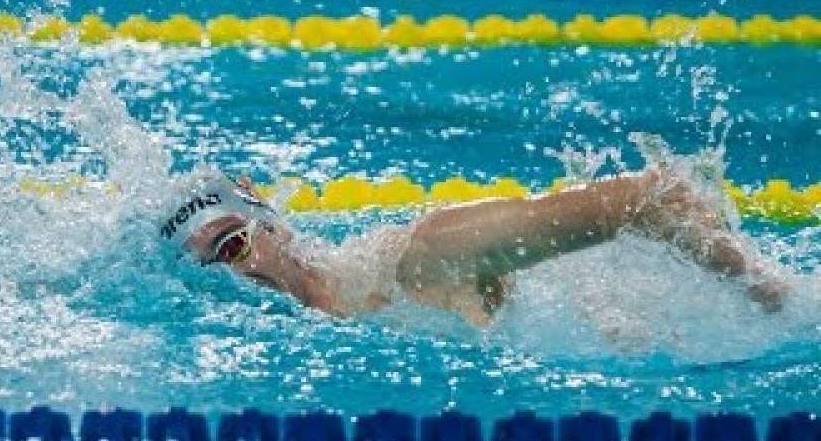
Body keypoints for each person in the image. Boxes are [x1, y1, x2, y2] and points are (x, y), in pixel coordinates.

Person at [159, 167, 788, 327]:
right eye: (210, 269)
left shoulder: (421, 258)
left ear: (275, 227)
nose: (235, 277)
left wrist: (774, 300)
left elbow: (655, 196)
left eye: (234, 244)